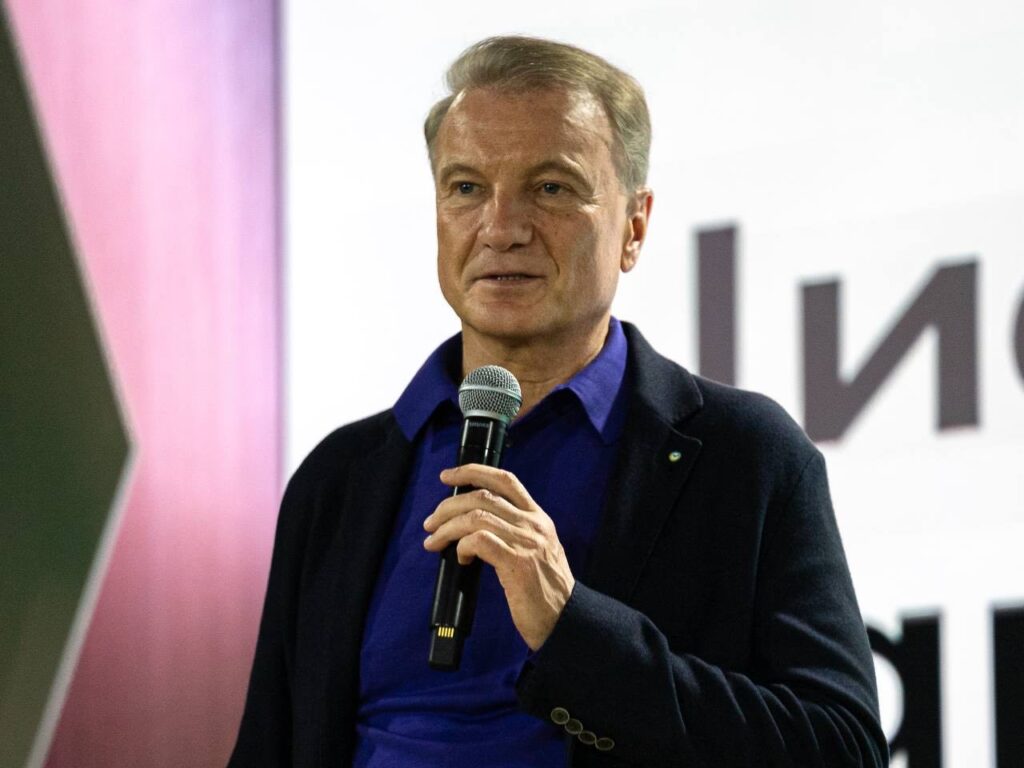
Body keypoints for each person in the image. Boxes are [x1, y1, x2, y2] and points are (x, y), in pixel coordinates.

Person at [229, 36, 887, 767]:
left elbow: (843, 748)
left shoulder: (742, 456)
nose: (501, 228)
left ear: (634, 226)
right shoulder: (339, 480)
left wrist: (573, 628)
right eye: (466, 188)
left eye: (551, 188)